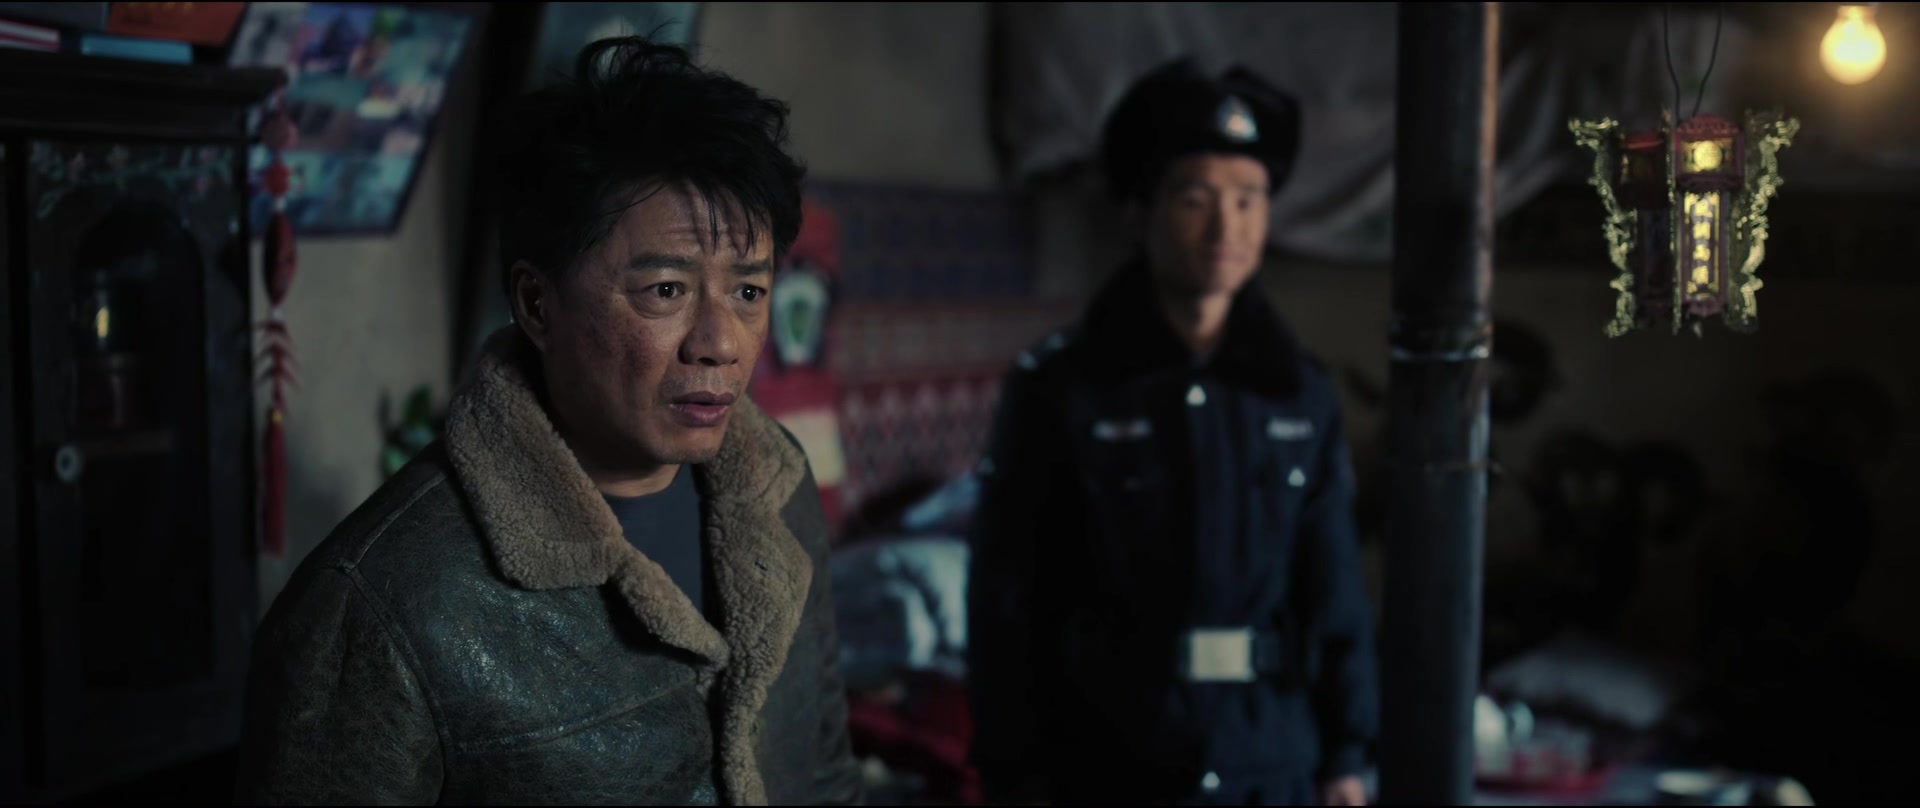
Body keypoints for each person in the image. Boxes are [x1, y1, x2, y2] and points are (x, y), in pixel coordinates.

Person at [235, 37, 863, 805]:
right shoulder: (380, 602)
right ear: (537, 304)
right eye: (666, 291)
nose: (720, 344)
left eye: (748, 293)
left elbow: (826, 775)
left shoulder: (776, 487)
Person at [966, 58, 1379, 806]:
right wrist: (1012, 773)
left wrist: (1346, 756)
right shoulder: (1064, 388)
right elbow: (1008, 601)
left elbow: (1333, 588)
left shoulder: (1297, 392)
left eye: (1249, 200)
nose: (1227, 228)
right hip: (1111, 762)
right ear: (1140, 212)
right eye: (1195, 198)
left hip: (1268, 761)